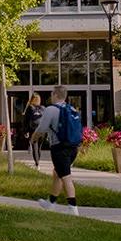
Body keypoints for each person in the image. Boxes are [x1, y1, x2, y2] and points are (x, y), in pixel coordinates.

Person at [31, 85, 80, 216]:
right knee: (57, 174)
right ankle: (51, 202)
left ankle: (73, 208)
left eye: (52, 94)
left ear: (56, 95)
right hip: (73, 147)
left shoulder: (51, 109)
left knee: (66, 177)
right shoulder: (71, 108)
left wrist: (33, 139)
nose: (51, 96)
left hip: (59, 148)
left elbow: (41, 129)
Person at [22, 93, 45, 168]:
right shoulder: (43, 108)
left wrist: (25, 131)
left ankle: (37, 164)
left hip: (34, 130)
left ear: (31, 99)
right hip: (42, 130)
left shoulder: (29, 108)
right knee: (39, 148)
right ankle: (38, 162)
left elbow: (26, 120)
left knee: (35, 146)